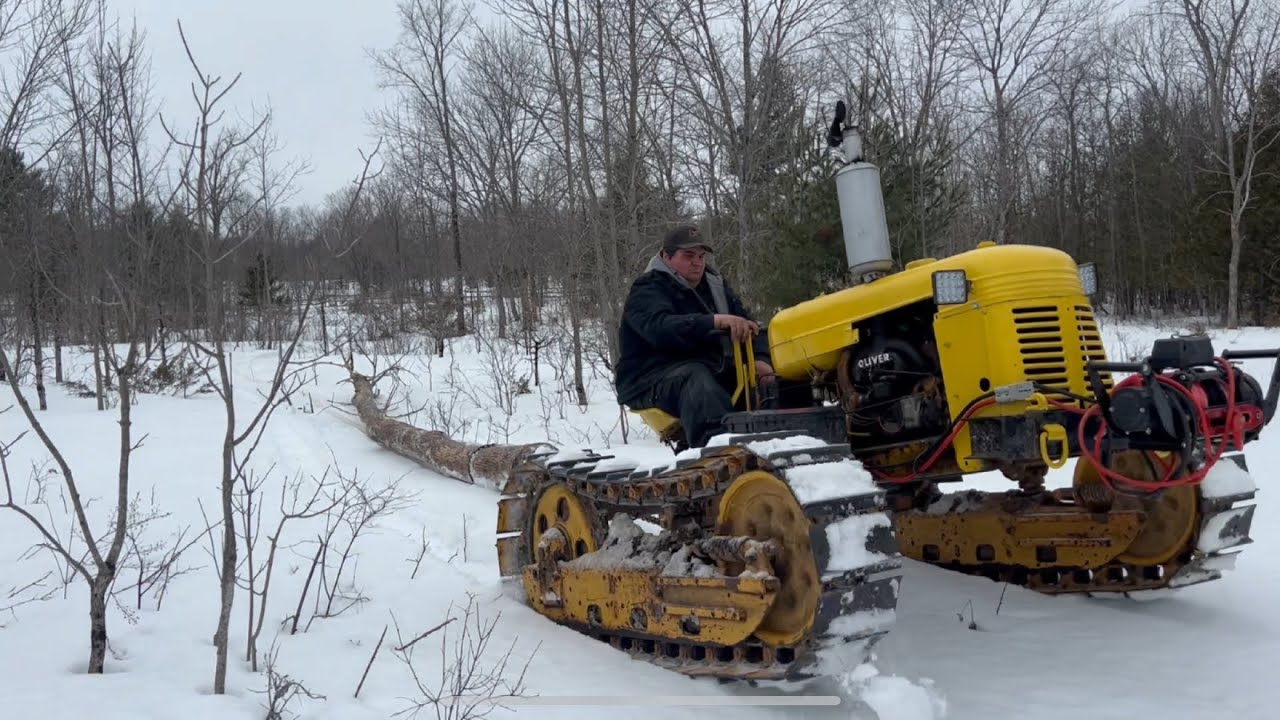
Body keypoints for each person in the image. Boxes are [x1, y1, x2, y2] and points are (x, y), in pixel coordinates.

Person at [614, 224, 776, 448]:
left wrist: (761, 359)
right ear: (666, 256)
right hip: (650, 377)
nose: (697, 262)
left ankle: (793, 442)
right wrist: (714, 321)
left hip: (711, 368)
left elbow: (749, 325)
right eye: (688, 255)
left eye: (701, 256)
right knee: (696, 380)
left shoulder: (714, 286)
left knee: (781, 380)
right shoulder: (648, 289)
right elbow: (660, 329)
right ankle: (719, 454)